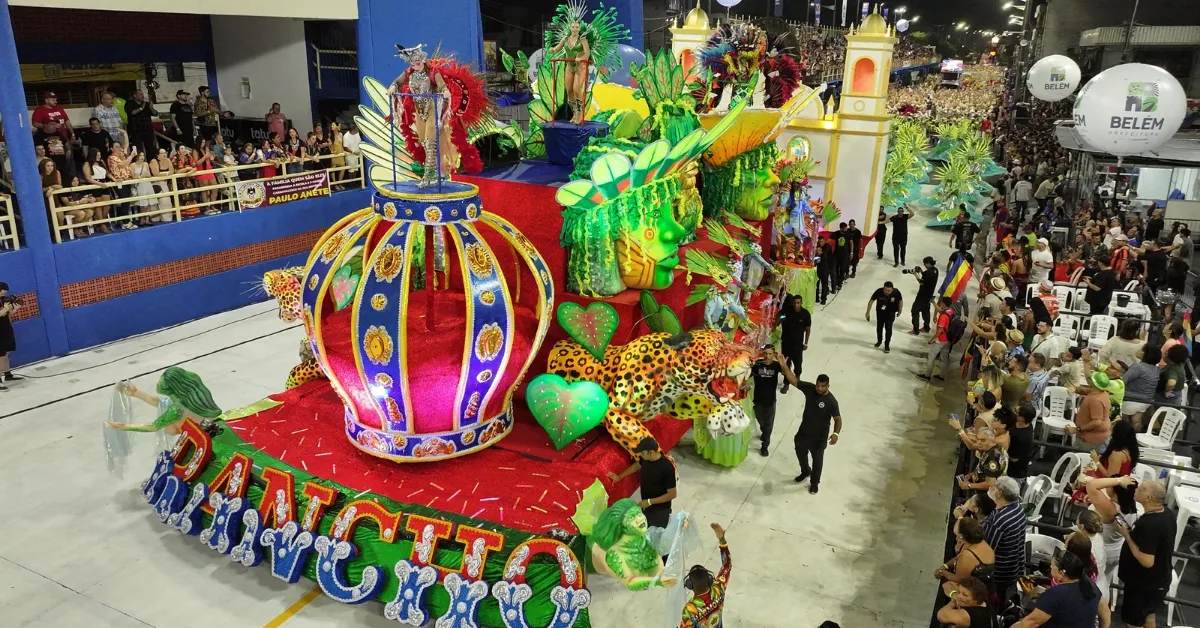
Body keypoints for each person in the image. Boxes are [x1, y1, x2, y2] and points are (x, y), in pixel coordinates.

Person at [1117, 479, 1176, 628]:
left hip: (1143, 585)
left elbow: (1147, 561)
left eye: (1141, 489)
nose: (1136, 489)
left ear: (1148, 498)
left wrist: (1127, 536)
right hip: (1158, 582)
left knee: (1133, 623)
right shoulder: (1167, 513)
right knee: (1149, 616)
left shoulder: (1149, 524)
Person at [1014, 550, 1110, 628]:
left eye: (1052, 567)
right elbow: (1106, 615)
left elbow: (1031, 623)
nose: (1050, 569)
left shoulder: (1055, 594)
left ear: (1061, 573)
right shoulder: (1090, 585)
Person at [607, 436, 677, 529]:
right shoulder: (646, 459)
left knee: (655, 537)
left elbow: (672, 494)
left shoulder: (666, 468)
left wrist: (649, 502)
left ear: (651, 452)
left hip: (660, 510)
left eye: (643, 453)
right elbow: (637, 465)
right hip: (646, 506)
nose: (641, 455)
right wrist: (619, 477)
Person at [793, 374, 841, 494]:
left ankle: (814, 483)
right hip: (804, 432)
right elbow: (794, 381)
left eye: (822, 386)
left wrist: (836, 434)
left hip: (819, 438)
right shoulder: (810, 389)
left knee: (817, 461)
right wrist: (784, 366)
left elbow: (837, 419)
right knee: (800, 451)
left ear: (828, 386)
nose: (819, 388)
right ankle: (805, 471)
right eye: (818, 385)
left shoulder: (831, 401)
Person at [982, 476, 1026, 601]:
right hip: (1013, 569)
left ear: (999, 493)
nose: (990, 486)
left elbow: (987, 551)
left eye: (994, 485)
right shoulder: (1018, 509)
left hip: (998, 574)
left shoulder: (999, 520)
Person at [680, 523, 731, 628]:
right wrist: (722, 540)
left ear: (690, 585)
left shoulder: (690, 609)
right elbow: (727, 566)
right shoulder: (719, 589)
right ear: (709, 579)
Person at [750, 346, 798, 456]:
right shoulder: (757, 365)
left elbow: (788, 376)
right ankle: (764, 431)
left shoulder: (776, 366)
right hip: (757, 400)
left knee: (768, 424)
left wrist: (783, 365)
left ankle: (765, 445)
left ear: (774, 354)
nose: (767, 356)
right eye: (765, 353)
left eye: (770, 354)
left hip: (770, 401)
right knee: (760, 419)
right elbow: (747, 376)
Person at [1067, 372, 1113, 447]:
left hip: (1090, 440)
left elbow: (1097, 422)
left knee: (1081, 457)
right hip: (1097, 436)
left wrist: (1078, 429)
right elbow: (1088, 391)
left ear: (1094, 383)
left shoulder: (1096, 400)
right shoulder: (1102, 393)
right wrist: (1076, 389)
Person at [777, 295, 811, 392]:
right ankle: (786, 383)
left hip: (798, 344)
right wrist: (778, 322)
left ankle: (797, 377)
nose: (796, 305)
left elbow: (808, 329)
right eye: (794, 303)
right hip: (786, 343)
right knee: (786, 364)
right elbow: (781, 316)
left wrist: (806, 343)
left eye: (798, 303)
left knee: (798, 362)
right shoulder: (787, 311)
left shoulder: (805, 314)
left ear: (801, 303)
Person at [1122, 346, 1160, 427]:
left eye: (1141, 350)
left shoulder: (1137, 367)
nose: (1138, 350)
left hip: (1130, 399)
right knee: (1136, 421)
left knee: (1123, 420)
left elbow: (1122, 381)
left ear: (1146, 354)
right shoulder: (1156, 369)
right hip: (1147, 401)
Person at [919, 297, 954, 381]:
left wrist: (932, 339)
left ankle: (927, 375)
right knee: (944, 357)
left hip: (940, 340)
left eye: (941, 303)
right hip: (948, 339)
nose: (940, 304)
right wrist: (934, 303)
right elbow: (941, 311)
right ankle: (942, 375)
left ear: (943, 304)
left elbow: (939, 331)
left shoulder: (943, 317)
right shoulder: (950, 312)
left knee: (931, 356)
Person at [866, 281, 903, 353]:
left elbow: (900, 301)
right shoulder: (879, 291)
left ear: (892, 289)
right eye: (885, 290)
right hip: (880, 312)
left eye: (889, 291)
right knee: (879, 327)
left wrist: (900, 310)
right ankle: (879, 341)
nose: (886, 292)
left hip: (891, 313)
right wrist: (867, 312)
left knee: (888, 329)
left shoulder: (896, 292)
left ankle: (887, 345)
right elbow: (871, 300)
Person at [910, 256, 939, 334]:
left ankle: (915, 330)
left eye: (925, 263)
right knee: (925, 311)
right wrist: (921, 272)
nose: (924, 265)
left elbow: (921, 282)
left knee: (914, 311)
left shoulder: (927, 273)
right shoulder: (935, 270)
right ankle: (926, 327)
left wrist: (915, 274)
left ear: (928, 263)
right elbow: (927, 278)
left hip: (922, 295)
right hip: (929, 295)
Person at [0, 282, 19, 389]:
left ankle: (8, 374)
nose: (4, 295)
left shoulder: (3, 301)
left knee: (6, 353)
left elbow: (8, 315)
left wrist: (14, 309)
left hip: (6, 328)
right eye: (2, 294)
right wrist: (5, 309)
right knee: (0, 356)